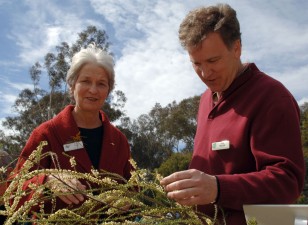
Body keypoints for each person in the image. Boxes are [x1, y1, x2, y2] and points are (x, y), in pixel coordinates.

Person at [160, 3, 305, 225]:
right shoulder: (205, 101)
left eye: (213, 61)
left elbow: (287, 182)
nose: (205, 73)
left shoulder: (272, 96)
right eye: (196, 63)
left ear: (236, 48)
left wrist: (218, 188)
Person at [9, 44, 133, 220]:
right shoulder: (46, 134)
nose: (93, 90)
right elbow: (13, 189)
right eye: (85, 81)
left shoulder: (119, 141)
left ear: (108, 91)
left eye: (101, 84)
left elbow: (133, 188)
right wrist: (47, 180)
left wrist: (127, 200)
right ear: (72, 85)